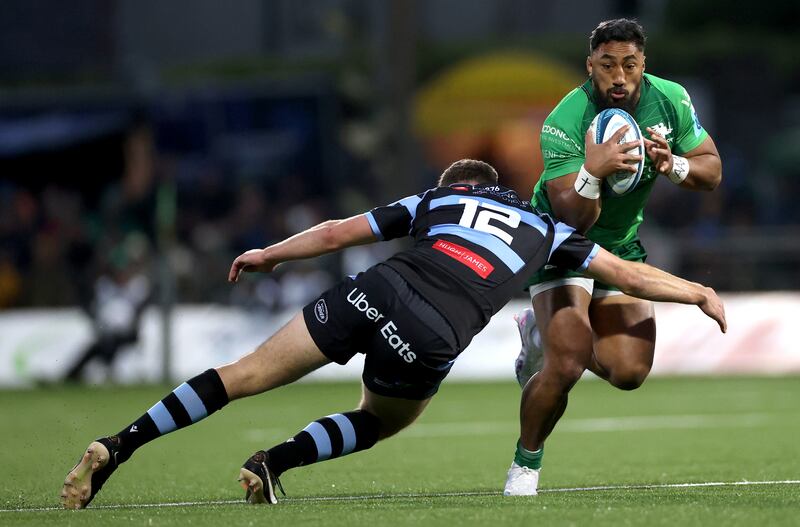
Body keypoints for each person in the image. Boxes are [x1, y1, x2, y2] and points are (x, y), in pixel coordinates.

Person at [61, 159, 725, 509]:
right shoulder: (549, 231)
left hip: (378, 287)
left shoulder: (435, 201)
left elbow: (334, 233)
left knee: (244, 374)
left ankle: (120, 444)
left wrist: (270, 252)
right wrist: (695, 290)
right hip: (436, 327)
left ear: (459, 190)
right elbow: (627, 276)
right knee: (380, 421)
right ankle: (274, 462)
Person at [504, 18, 723, 496]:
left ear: (644, 63)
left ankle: (541, 331)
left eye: (629, 64)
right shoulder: (566, 118)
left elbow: (711, 172)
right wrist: (591, 171)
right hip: (560, 242)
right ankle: (525, 467)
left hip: (620, 243)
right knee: (565, 364)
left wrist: (675, 165)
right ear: (591, 66)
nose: (619, 76)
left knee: (629, 372)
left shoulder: (670, 99)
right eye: (607, 66)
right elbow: (572, 218)